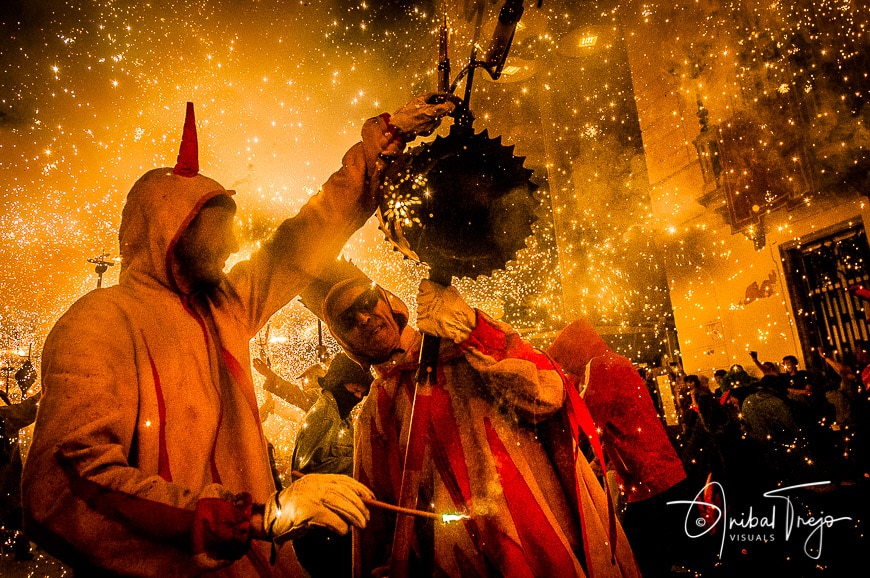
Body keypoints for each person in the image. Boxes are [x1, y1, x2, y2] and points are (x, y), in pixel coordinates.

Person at [22, 94, 455, 577]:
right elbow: (65, 486)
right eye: (217, 230)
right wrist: (253, 518)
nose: (232, 244)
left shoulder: (223, 307)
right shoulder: (100, 321)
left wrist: (381, 142)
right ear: (173, 228)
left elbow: (300, 242)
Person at [303, 265, 640, 578]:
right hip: (453, 562)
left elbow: (547, 394)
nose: (363, 317)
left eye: (365, 302)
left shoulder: (467, 346)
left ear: (387, 301)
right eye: (348, 319)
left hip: (533, 537)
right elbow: (377, 515)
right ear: (346, 342)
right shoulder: (376, 409)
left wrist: (470, 327)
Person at [545, 319, 686, 578]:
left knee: (637, 554)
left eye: (565, 360)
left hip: (647, 477)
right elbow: (618, 421)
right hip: (659, 469)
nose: (566, 368)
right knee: (663, 549)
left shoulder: (599, 367)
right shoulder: (617, 361)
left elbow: (585, 417)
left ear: (575, 350)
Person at [290, 351, 374, 578]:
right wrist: (359, 472)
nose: (357, 397)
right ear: (339, 383)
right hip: (319, 527)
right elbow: (304, 471)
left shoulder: (343, 416)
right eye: (354, 390)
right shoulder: (324, 415)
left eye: (361, 393)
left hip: (334, 521)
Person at [0, 360, 41, 561]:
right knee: (13, 511)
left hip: (7, 488)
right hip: (6, 488)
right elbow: (28, 410)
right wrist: (47, 389)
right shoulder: (4, 418)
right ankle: (18, 547)